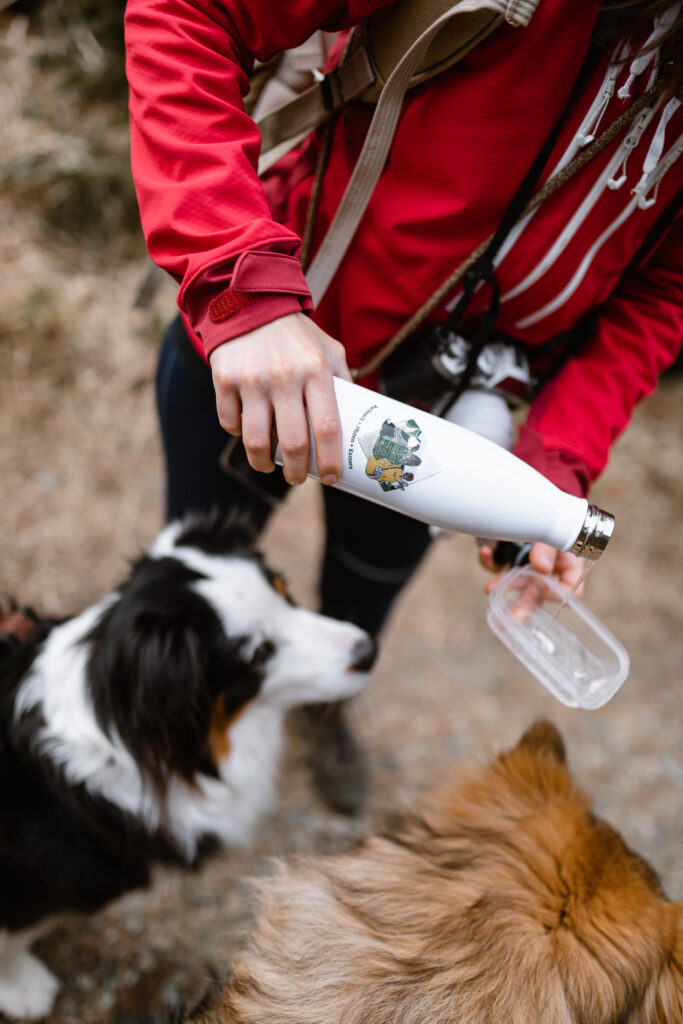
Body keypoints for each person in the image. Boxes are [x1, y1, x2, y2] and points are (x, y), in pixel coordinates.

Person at [125, 0, 683, 814]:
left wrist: (557, 458)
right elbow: (186, 14)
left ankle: (324, 706)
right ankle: (172, 720)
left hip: (440, 431)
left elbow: (659, 293)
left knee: (363, 598)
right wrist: (238, 283)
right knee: (200, 569)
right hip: (267, 349)